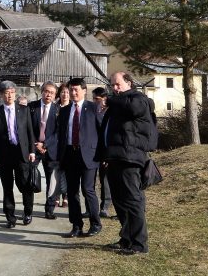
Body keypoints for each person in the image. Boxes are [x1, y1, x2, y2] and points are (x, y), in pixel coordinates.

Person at [99, 71, 157, 255]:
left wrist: (109, 100)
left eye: (118, 84)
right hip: (116, 158)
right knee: (120, 202)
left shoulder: (138, 98)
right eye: (112, 85)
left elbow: (134, 109)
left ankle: (139, 244)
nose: (114, 88)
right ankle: (126, 239)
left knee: (132, 201)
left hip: (130, 158)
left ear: (129, 83)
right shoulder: (119, 103)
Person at [57, 77, 102, 238]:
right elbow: (61, 135)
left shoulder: (93, 108)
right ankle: (76, 226)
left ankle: (95, 223)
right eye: (71, 90)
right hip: (70, 154)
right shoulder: (64, 111)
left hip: (89, 155)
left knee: (88, 189)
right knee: (72, 191)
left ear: (84, 91)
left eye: (76, 90)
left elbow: (101, 131)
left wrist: (103, 155)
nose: (73, 93)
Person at [0, 81, 36, 229]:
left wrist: (32, 151)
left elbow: (30, 132)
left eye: (12, 92)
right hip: (4, 154)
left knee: (25, 184)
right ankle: (10, 216)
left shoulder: (24, 110)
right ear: (1, 95)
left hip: (21, 152)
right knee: (7, 186)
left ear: (15, 93)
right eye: (6, 92)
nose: (9, 95)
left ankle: (28, 212)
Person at [29, 81, 58, 219]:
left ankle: (49, 209)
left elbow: (58, 133)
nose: (49, 95)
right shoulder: (31, 107)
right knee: (29, 178)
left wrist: (45, 145)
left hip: (50, 150)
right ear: (42, 92)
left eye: (52, 93)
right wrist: (36, 144)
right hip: (34, 149)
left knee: (51, 181)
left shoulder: (58, 110)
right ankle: (28, 210)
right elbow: (27, 128)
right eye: (46, 91)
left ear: (55, 95)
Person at [92, 86, 112, 218]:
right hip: (92, 150)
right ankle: (90, 207)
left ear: (104, 98)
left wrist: (107, 155)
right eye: (93, 98)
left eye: (97, 99)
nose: (94, 101)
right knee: (90, 181)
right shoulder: (92, 110)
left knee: (105, 180)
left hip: (105, 151)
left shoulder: (110, 113)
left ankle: (105, 206)